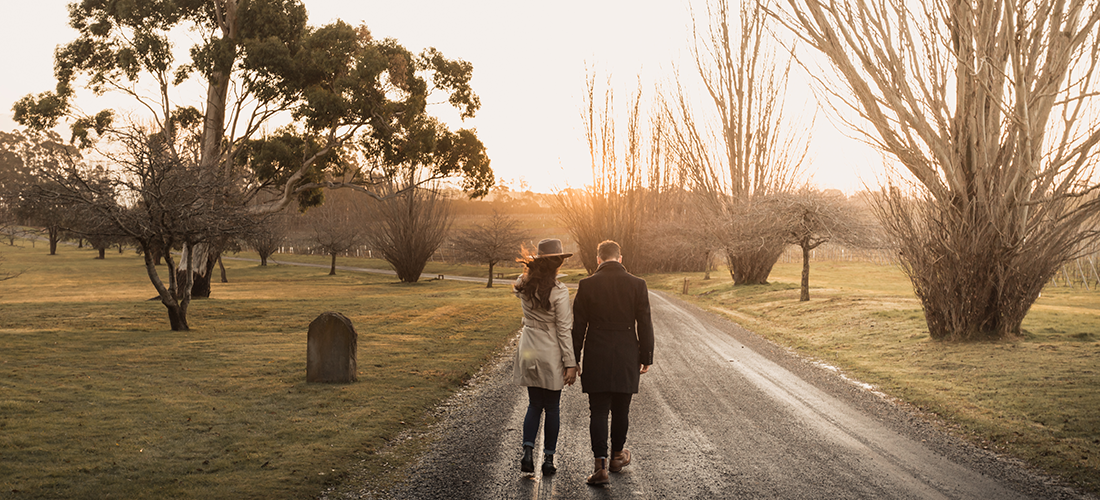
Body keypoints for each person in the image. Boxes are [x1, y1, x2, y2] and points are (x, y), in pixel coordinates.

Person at [572, 239, 654, 486]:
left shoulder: (586, 285)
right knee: (621, 408)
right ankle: (618, 456)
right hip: (626, 354)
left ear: (598, 259)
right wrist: (646, 356)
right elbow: (645, 323)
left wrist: (573, 358)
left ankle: (600, 467)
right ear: (620, 259)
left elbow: (578, 327)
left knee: (598, 410)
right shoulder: (637, 284)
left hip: (597, 354)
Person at [513, 238, 579, 475]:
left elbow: (521, 291)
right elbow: (563, 329)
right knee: (552, 407)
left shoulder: (522, 284)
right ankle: (549, 459)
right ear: (557, 264)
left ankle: (528, 452)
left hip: (529, 347)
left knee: (534, 404)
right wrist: (570, 362)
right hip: (550, 350)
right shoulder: (559, 292)